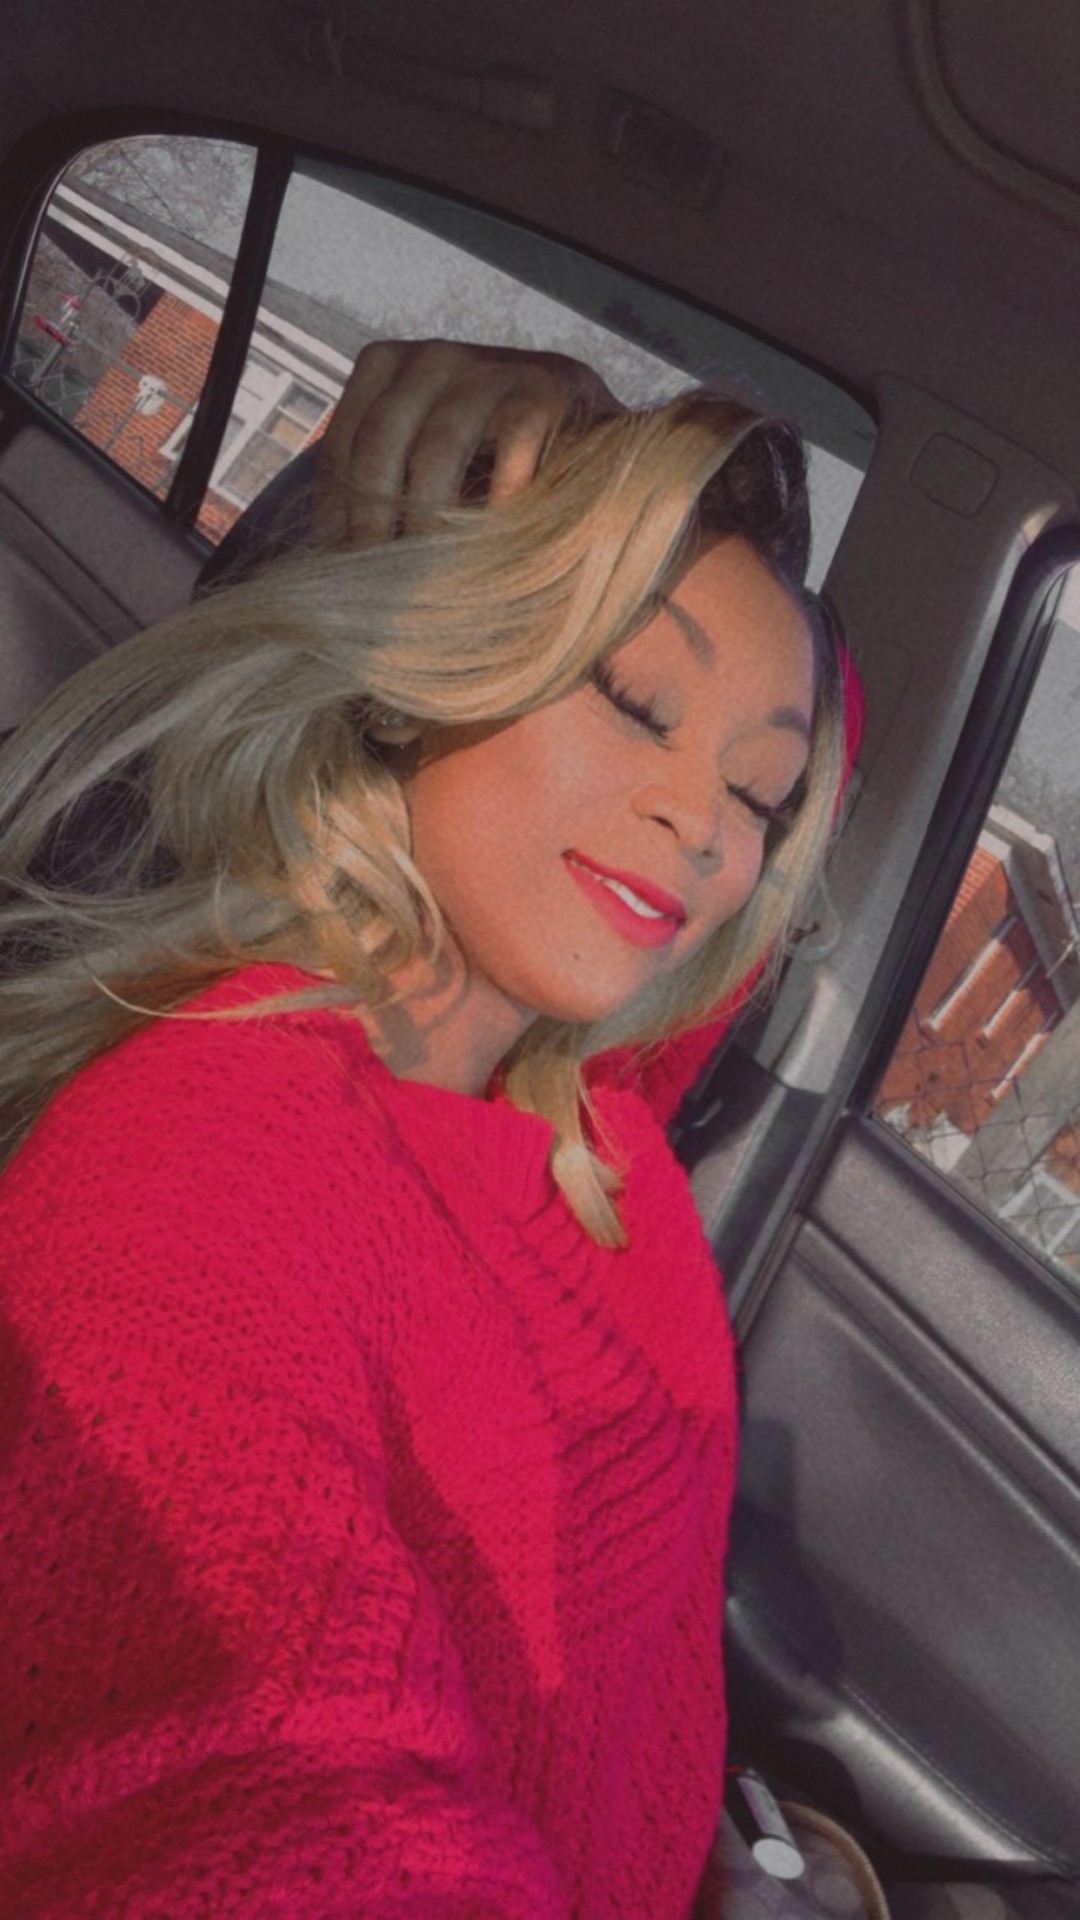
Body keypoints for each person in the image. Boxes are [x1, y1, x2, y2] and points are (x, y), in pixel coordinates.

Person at [0, 341, 857, 1919]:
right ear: (430, 660)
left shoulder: (589, 1101)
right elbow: (255, 1804)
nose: (701, 823)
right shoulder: (199, 1171)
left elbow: (821, 692)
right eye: (636, 700)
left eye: (759, 796)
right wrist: (515, 469)